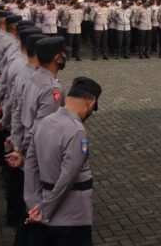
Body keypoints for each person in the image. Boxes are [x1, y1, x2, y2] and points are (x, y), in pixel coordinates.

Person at [24, 76, 102, 246]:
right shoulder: (76, 131)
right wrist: (45, 210)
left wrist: (33, 204)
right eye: (93, 108)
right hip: (72, 217)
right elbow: (67, 178)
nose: (90, 114)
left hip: (42, 209)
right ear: (90, 102)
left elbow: (30, 166)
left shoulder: (43, 123)